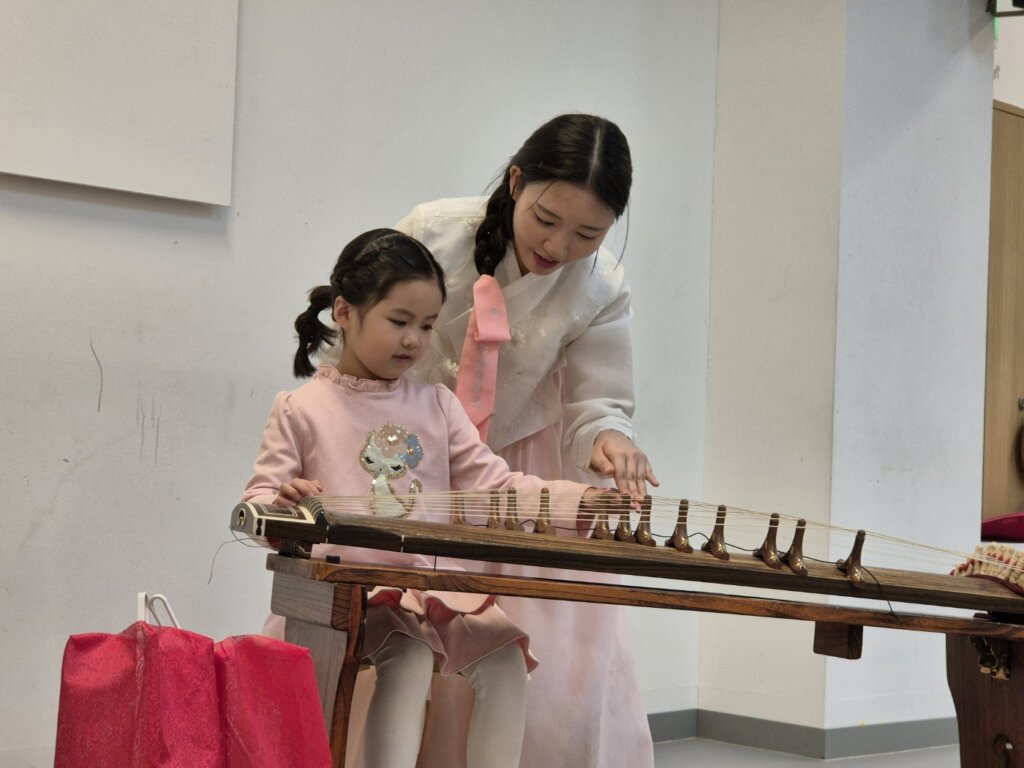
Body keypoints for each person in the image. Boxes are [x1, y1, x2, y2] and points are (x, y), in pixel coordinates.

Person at [241, 228, 611, 768]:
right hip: (346, 591)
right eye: (399, 321)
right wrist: (284, 505)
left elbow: (496, 486)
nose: (414, 340)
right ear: (345, 312)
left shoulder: (437, 404)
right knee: (409, 653)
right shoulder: (301, 408)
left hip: (429, 589)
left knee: (504, 659)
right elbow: (259, 501)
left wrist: (577, 502)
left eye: (427, 325)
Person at [396, 114, 658, 768]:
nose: (559, 245)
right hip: (411, 455)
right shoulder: (432, 232)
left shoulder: (600, 284)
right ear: (516, 181)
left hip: (522, 464)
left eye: (589, 234)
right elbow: (365, 339)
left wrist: (610, 439)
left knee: (542, 663)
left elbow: (596, 402)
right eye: (546, 218)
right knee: (397, 643)